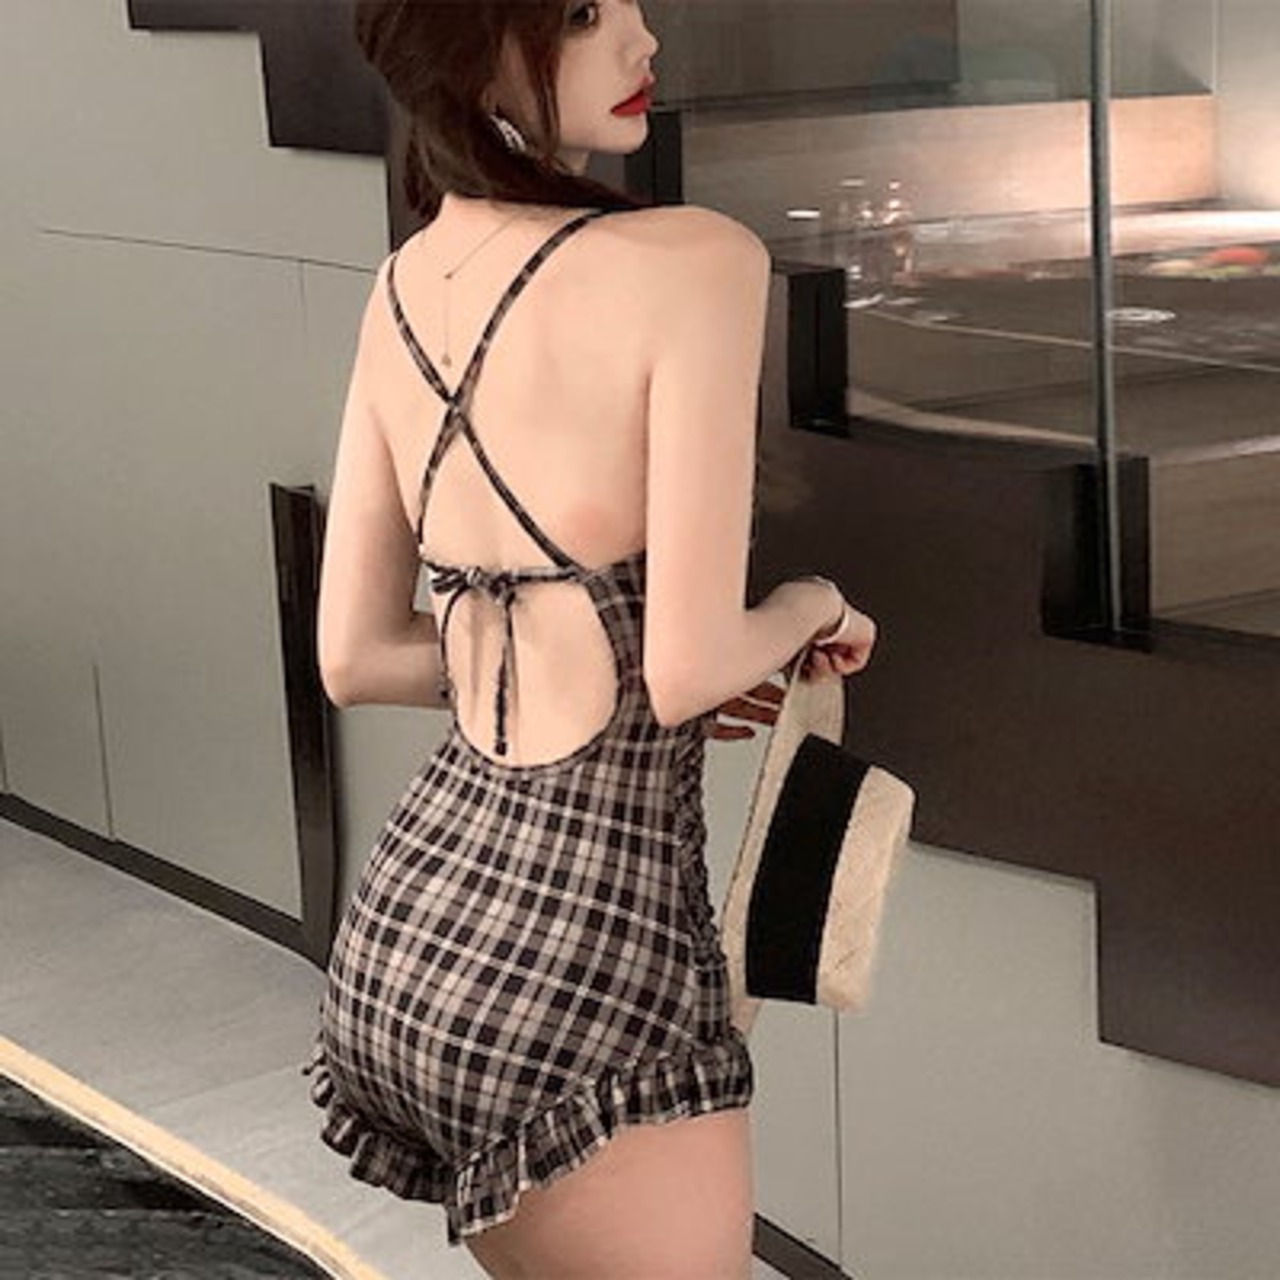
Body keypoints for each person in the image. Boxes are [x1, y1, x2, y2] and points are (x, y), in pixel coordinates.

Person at [300, 1, 877, 1276]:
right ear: (472, 45)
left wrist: (578, 664)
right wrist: (810, 607)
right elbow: (684, 668)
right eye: (579, 12)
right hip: (585, 967)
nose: (640, 40)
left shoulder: (403, 284)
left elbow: (355, 654)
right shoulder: (694, 260)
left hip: (407, 935)